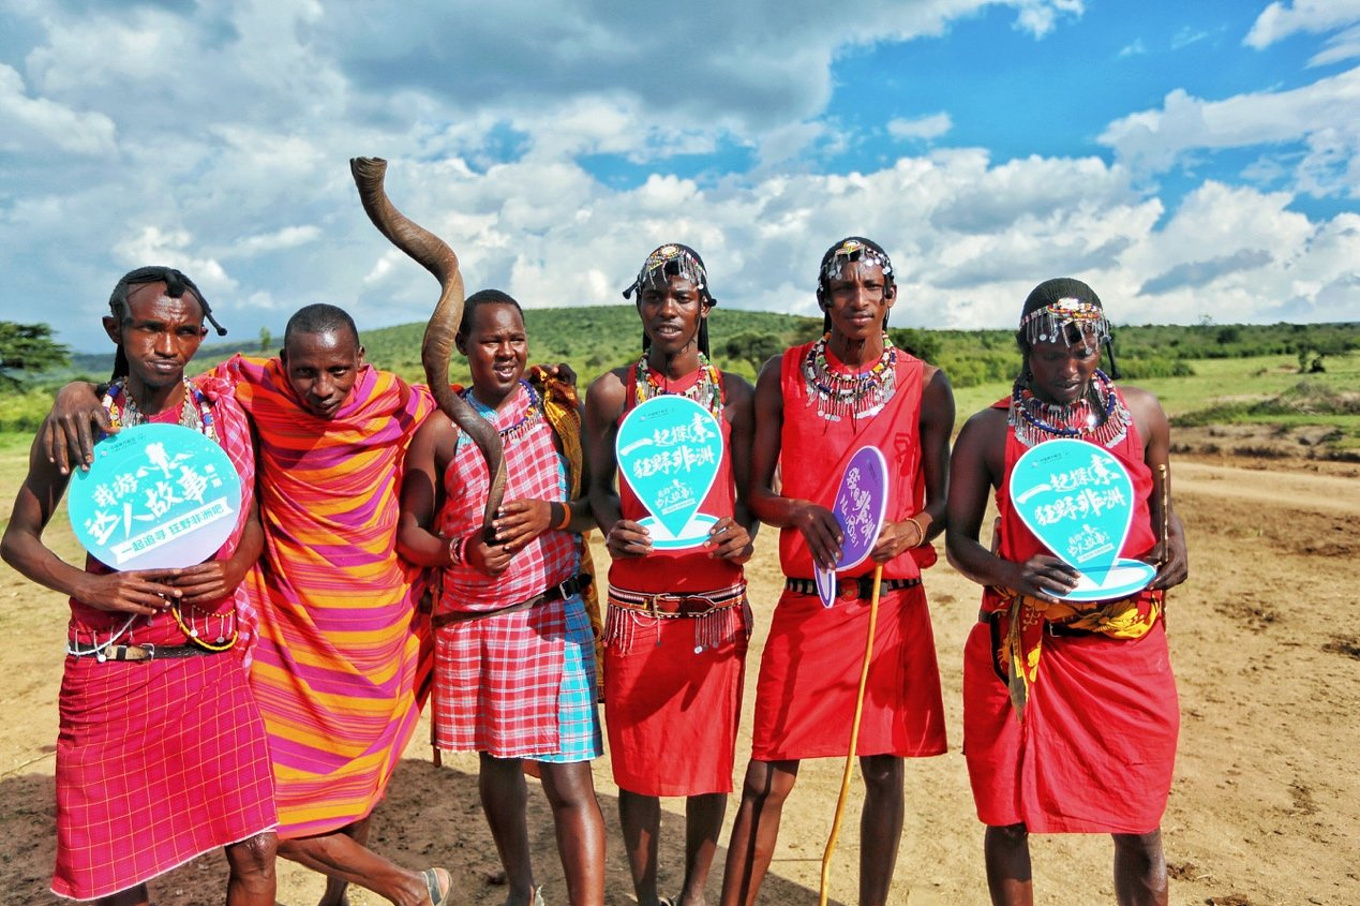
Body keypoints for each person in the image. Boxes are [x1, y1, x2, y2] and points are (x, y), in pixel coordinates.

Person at [40, 303, 453, 906]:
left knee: (356, 776)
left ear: (361, 363)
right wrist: (76, 388)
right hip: (284, 624)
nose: (323, 389)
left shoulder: (397, 401)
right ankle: (407, 887)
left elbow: (463, 413)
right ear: (282, 365)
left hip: (375, 625)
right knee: (264, 808)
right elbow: (150, 385)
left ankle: (341, 896)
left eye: (339, 371)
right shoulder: (243, 394)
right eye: (306, 372)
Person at [1, 266, 278, 905]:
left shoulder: (227, 415)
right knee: (118, 872)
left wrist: (231, 572)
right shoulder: (84, 422)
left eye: (183, 332)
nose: (165, 345)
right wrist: (89, 588)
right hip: (113, 669)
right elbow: (17, 539)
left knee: (257, 848)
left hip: (210, 663)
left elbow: (257, 517)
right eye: (150, 327)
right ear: (115, 330)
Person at [720, 238, 954, 906]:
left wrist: (911, 529)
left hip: (890, 604)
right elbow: (755, 490)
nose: (859, 299)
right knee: (767, 775)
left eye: (871, 287)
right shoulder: (783, 373)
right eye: (844, 289)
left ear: (891, 297)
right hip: (809, 601)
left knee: (883, 773)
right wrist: (797, 510)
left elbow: (942, 504)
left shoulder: (927, 385)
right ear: (824, 300)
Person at [945, 277, 1188, 906]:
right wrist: (1009, 574)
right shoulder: (987, 432)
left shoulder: (1142, 413)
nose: (1069, 367)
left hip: (1126, 651)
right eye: (1053, 354)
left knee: (1138, 824)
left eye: (1083, 350)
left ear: (1101, 344)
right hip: (1024, 654)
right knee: (1008, 816)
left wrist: (1173, 541)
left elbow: (1161, 506)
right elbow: (960, 543)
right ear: (1027, 349)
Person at [397, 290, 606, 906]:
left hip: (553, 613)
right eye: (491, 340)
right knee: (499, 767)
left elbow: (598, 508)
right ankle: (522, 888)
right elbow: (410, 533)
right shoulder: (440, 429)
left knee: (570, 779)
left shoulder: (558, 412)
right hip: (479, 623)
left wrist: (553, 513)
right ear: (463, 347)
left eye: (516, 337)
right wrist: (462, 552)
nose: (507, 351)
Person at [584, 244, 756, 906]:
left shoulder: (735, 396)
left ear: (704, 307)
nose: (667, 310)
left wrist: (747, 535)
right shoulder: (611, 393)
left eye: (681, 297)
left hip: (714, 605)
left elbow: (749, 498)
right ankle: (649, 894)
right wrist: (610, 524)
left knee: (711, 765)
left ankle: (693, 895)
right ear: (639, 306)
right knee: (638, 767)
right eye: (654, 297)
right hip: (639, 611)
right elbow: (597, 488)